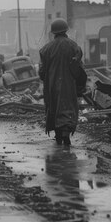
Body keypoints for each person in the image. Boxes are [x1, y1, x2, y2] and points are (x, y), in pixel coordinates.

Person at [38, 18, 86, 146]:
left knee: (53, 108)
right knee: (68, 108)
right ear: (66, 30)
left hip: (52, 85)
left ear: (53, 33)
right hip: (68, 85)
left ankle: (58, 136)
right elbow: (79, 69)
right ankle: (66, 136)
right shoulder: (74, 46)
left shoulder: (46, 49)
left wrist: (47, 78)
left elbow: (42, 72)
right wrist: (80, 86)